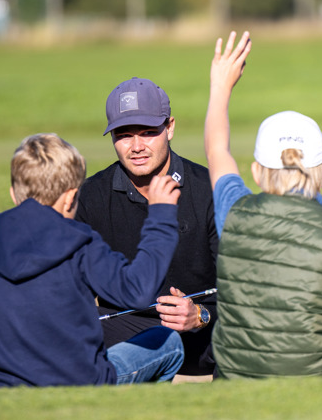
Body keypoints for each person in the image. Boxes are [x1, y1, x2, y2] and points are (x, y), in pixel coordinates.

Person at [195, 30, 322, 378]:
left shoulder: (233, 211)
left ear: (257, 172)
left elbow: (217, 149)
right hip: (317, 382)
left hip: (237, 380)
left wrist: (220, 86)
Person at [0, 133, 185, 388]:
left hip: (6, 384)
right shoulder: (82, 243)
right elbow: (137, 291)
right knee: (168, 342)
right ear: (71, 198)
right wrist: (160, 216)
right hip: (83, 382)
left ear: (14, 194)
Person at [76, 77, 218, 376]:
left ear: (170, 128)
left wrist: (201, 315)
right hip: (126, 330)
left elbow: (242, 287)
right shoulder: (90, 196)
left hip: (204, 330)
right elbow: (69, 289)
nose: (137, 146)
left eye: (148, 133)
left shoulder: (210, 189)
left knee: (250, 336)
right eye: (124, 135)